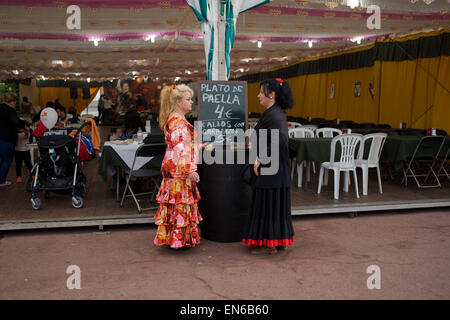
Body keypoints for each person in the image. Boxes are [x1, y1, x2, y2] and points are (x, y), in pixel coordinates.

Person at [242, 78, 295, 255]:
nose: (258, 95)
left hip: (271, 171)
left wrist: (260, 158)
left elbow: (279, 139)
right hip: (276, 170)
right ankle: (278, 241)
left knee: (269, 205)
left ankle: (270, 245)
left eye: (261, 91)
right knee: (275, 205)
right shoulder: (275, 112)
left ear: (271, 94)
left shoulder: (274, 114)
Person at [153, 84, 202, 250]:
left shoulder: (173, 119)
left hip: (172, 167)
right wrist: (190, 170)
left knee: (174, 203)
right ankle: (179, 240)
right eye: (188, 100)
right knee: (180, 203)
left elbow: (180, 145)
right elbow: (180, 148)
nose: (191, 103)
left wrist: (197, 145)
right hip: (178, 170)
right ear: (179, 101)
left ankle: (174, 239)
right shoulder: (178, 121)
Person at [0, 93, 21, 187]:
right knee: (6, 160)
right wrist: (24, 125)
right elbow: (15, 122)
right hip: (7, 139)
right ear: (12, 101)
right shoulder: (10, 110)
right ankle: (1, 180)